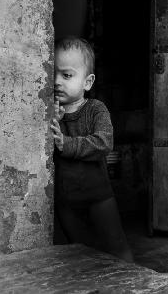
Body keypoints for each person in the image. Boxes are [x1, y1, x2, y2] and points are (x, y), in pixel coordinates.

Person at [51, 37, 133, 263]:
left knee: (116, 247)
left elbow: (104, 142)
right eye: (53, 73)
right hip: (66, 199)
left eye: (67, 76)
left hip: (98, 196)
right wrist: (52, 122)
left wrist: (66, 144)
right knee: (79, 252)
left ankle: (131, 283)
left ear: (87, 82)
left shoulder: (96, 109)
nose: (57, 82)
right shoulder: (49, 110)